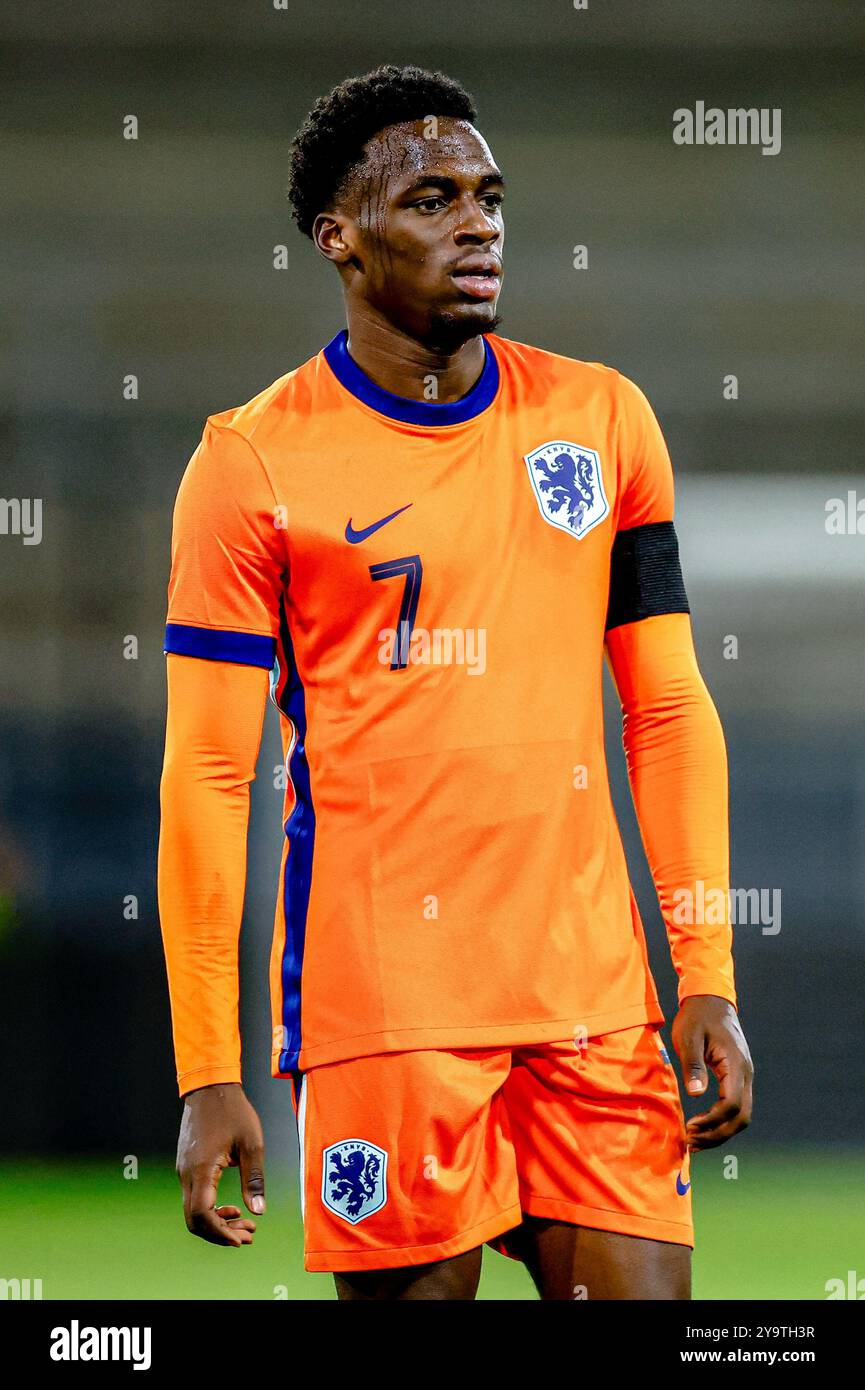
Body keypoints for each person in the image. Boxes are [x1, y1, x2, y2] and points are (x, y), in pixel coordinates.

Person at [158, 63, 753, 1301]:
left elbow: (665, 707)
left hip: (593, 1001)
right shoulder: (252, 461)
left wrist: (705, 969)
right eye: (430, 199)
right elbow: (211, 774)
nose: (477, 222)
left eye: (488, 196)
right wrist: (207, 1064)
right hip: (389, 1013)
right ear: (339, 239)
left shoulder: (600, 419)